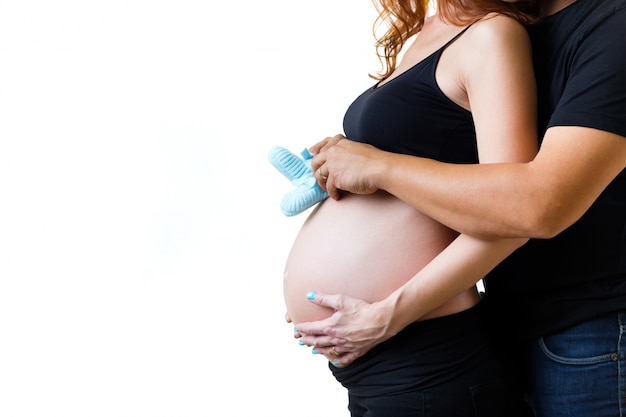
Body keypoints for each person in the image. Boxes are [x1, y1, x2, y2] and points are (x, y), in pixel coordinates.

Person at [294, 0, 626, 415]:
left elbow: (536, 207)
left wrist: (381, 167)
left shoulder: (609, 27)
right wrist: (350, 159)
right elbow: (452, 166)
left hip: (588, 331)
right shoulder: (481, 24)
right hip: (498, 321)